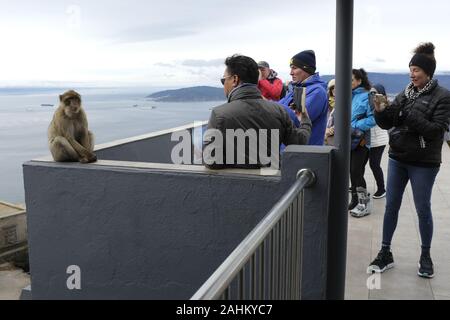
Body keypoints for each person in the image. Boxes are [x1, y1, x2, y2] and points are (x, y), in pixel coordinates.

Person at [368, 43, 450, 278]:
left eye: (415, 70)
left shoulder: (443, 96)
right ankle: (385, 252)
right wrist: (381, 110)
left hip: (424, 162)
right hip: (398, 157)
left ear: (428, 72)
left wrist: (406, 115)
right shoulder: (406, 93)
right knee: (391, 206)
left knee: (423, 208)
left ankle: (425, 255)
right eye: (410, 69)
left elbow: (436, 131)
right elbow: (387, 123)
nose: (411, 74)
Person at [203, 54, 312, 169]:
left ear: (235, 79)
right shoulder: (279, 110)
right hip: (274, 182)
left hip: (236, 183)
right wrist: (305, 120)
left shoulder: (219, 114)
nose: (224, 85)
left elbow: (211, 161)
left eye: (223, 80)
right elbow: (299, 142)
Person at [278, 50, 328, 145]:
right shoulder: (296, 89)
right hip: (291, 151)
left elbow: (297, 119)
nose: (291, 73)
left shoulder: (318, 92)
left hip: (305, 153)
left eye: (294, 68)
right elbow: (277, 107)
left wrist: (265, 105)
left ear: (306, 69)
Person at [348, 68, 376, 218]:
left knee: (356, 172)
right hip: (348, 140)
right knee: (352, 171)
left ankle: (364, 204)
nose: (349, 82)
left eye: (351, 79)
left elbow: (373, 119)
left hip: (361, 141)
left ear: (359, 80)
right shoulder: (347, 95)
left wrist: (354, 127)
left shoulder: (368, 95)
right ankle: (354, 200)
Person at [368, 84, 389, 198]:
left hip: (379, 140)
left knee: (374, 164)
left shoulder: (383, 105)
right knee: (360, 164)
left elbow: (375, 120)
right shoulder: (369, 103)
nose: (373, 95)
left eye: (375, 92)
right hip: (370, 139)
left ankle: (381, 189)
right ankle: (357, 185)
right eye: (371, 93)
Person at [324, 79, 336, 146]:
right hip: (327, 139)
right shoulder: (327, 103)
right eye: (332, 88)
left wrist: (332, 129)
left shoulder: (344, 103)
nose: (334, 89)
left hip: (335, 139)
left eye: (337, 87)